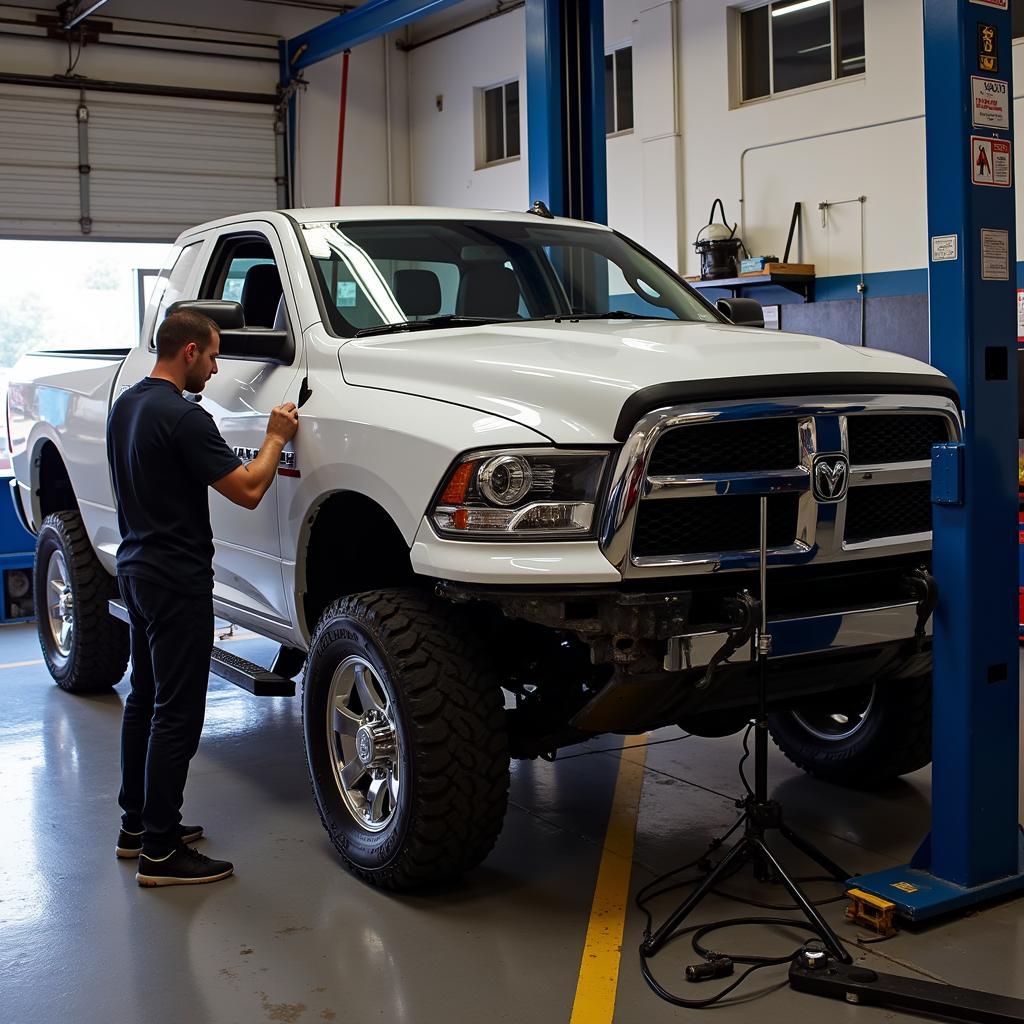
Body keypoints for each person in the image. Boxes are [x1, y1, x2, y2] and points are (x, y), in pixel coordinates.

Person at [107, 308, 299, 887]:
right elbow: (247, 488)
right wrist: (273, 438)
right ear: (188, 351)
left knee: (144, 699)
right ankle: (162, 854)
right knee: (178, 713)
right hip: (175, 581)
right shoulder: (185, 417)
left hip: (136, 570)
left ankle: (137, 828)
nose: (215, 370)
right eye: (213, 356)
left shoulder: (129, 406)